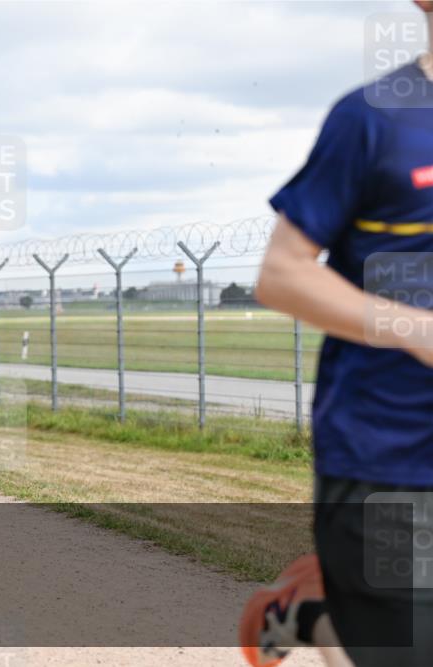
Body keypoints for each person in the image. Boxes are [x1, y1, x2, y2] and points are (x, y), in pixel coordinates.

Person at [240, 4, 433, 666]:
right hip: (389, 455)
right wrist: (415, 329)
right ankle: (319, 612)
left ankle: (318, 609)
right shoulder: (375, 118)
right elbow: (282, 275)